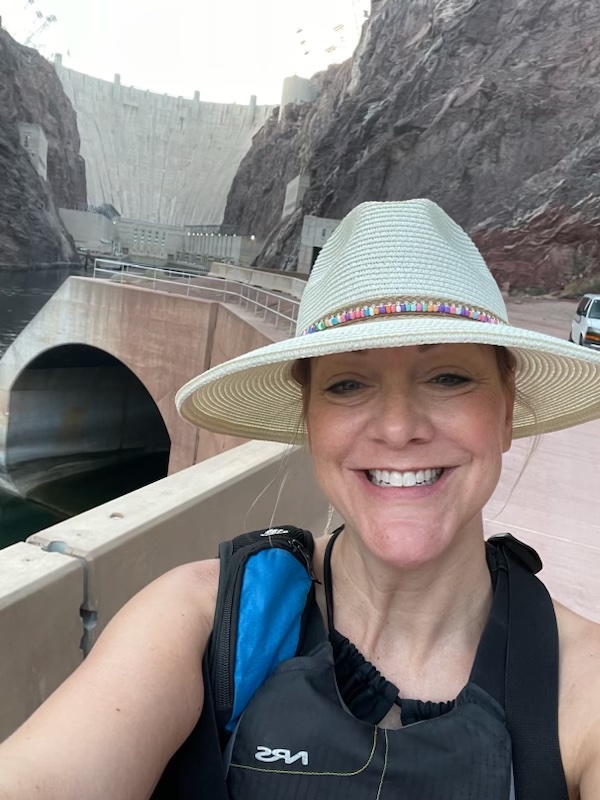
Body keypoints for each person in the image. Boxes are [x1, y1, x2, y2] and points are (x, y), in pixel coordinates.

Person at [1, 199, 600, 799]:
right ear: (309, 421)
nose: (397, 428)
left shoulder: (581, 683)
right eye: (347, 384)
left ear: (506, 413)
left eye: (448, 377)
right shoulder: (202, 624)